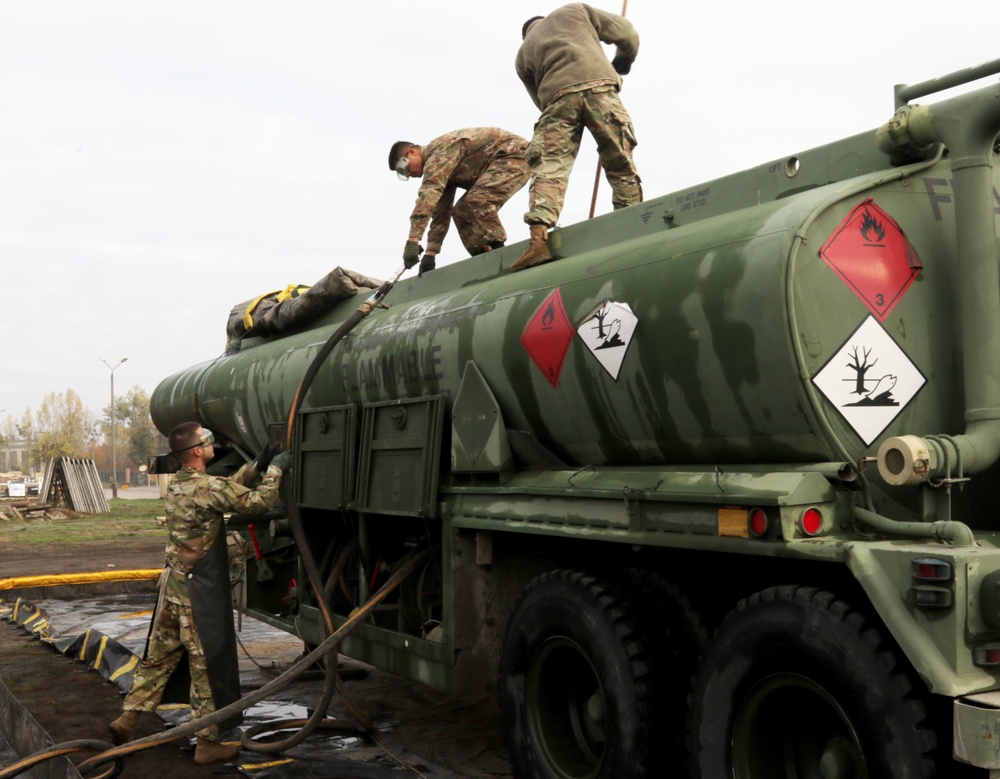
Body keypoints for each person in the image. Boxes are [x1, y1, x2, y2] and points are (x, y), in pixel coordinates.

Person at [108, 422, 291, 766]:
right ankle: (207, 742)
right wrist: (277, 468)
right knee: (205, 662)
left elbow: (225, 488)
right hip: (196, 592)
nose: (212, 444)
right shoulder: (205, 487)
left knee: (158, 659)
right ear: (196, 451)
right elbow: (257, 502)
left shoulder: (180, 484)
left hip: (173, 586)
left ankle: (128, 719)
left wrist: (256, 464)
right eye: (208, 440)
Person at [511, 3, 643, 272]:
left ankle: (538, 243)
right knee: (618, 156)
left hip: (556, 100)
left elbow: (539, 99)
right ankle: (633, 221)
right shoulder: (573, 11)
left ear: (526, 35)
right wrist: (622, 63)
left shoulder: (523, 54)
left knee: (549, 168)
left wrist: (560, 110)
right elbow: (628, 34)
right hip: (599, 86)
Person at [389, 127, 530, 276]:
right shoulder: (440, 168)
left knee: (475, 201)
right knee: (461, 211)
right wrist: (431, 253)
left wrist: (413, 240)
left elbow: (428, 196)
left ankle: (502, 256)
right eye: (402, 173)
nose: (408, 174)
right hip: (495, 164)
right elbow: (440, 211)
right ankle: (485, 259)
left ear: (412, 152)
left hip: (513, 155)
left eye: (403, 167)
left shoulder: (439, 153)